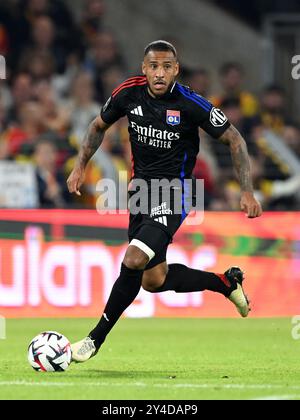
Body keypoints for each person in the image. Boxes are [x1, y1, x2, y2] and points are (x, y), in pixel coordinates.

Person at [67, 40, 262, 363]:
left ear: (176, 69)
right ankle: (226, 283)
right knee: (153, 280)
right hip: (140, 194)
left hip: (175, 194)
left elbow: (235, 139)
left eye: (166, 67)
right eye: (153, 67)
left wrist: (246, 190)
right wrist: (79, 166)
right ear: (144, 69)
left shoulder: (190, 103)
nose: (160, 73)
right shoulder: (128, 93)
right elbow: (97, 126)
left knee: (132, 259)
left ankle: (93, 340)